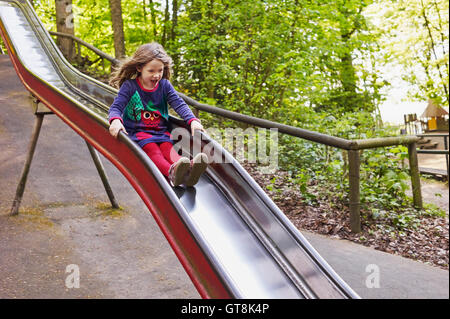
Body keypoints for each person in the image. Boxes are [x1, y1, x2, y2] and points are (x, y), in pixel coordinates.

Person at [108, 42, 207, 187]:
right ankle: (171, 172)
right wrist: (115, 121)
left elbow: (178, 104)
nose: (156, 75)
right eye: (151, 71)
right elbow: (116, 107)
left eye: (160, 70)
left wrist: (192, 120)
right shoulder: (130, 86)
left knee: (168, 148)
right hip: (139, 133)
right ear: (139, 68)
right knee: (153, 150)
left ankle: (188, 170)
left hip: (160, 132)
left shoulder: (164, 85)